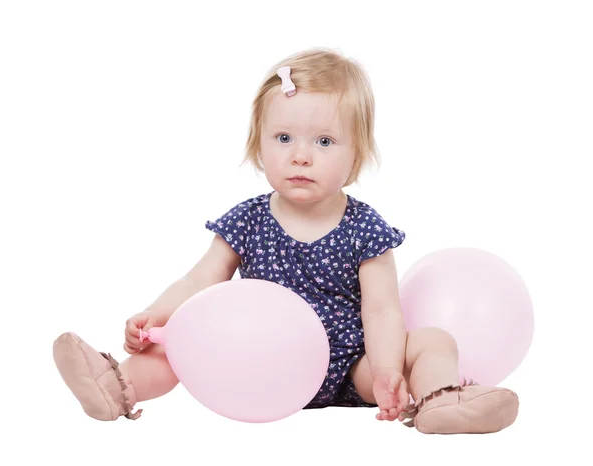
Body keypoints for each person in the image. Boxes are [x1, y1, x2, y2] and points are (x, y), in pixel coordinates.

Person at [53, 47, 519, 434]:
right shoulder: (249, 219)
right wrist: (155, 314)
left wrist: (385, 372)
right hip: (260, 360)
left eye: (323, 142)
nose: (300, 156)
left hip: (352, 366)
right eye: (283, 137)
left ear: (357, 155)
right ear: (258, 145)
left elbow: (381, 309)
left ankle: (442, 400)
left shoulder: (366, 228)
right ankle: (116, 388)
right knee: (174, 338)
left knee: (432, 339)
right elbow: (199, 281)